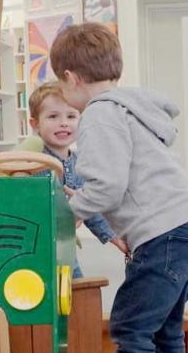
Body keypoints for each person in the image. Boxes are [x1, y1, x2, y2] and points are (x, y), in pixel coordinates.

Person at [49, 22, 188, 353]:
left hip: (165, 231)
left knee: (130, 326)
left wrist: (68, 214)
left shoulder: (98, 115)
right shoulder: (129, 107)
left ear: (72, 78)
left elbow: (108, 187)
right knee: (165, 322)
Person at [27, 81, 127, 277]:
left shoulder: (80, 162)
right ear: (35, 124)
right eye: (53, 116)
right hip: (36, 251)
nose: (63, 123)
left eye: (71, 116)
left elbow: (90, 208)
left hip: (66, 251)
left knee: (75, 286)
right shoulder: (34, 163)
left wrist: (114, 238)